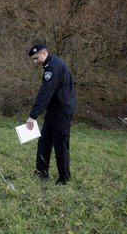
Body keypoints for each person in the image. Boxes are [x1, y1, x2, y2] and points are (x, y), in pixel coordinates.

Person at [26, 44, 76, 185]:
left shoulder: (53, 67)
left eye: (36, 58)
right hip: (54, 111)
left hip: (62, 112)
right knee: (44, 142)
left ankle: (64, 178)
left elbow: (45, 93)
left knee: (60, 144)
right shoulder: (51, 65)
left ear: (43, 53)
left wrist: (33, 115)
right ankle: (41, 173)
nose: (36, 62)